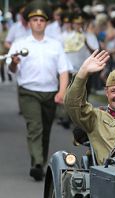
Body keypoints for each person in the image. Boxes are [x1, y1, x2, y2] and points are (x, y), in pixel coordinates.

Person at [8, 1, 72, 181]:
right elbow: (11, 69)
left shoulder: (55, 45)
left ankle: (40, 162)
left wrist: (62, 91)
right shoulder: (20, 44)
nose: (38, 23)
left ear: (46, 23)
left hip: (50, 93)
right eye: (34, 20)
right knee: (35, 127)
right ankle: (36, 163)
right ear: (29, 23)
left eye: (41, 20)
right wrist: (14, 62)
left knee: (45, 130)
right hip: (29, 91)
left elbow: (63, 70)